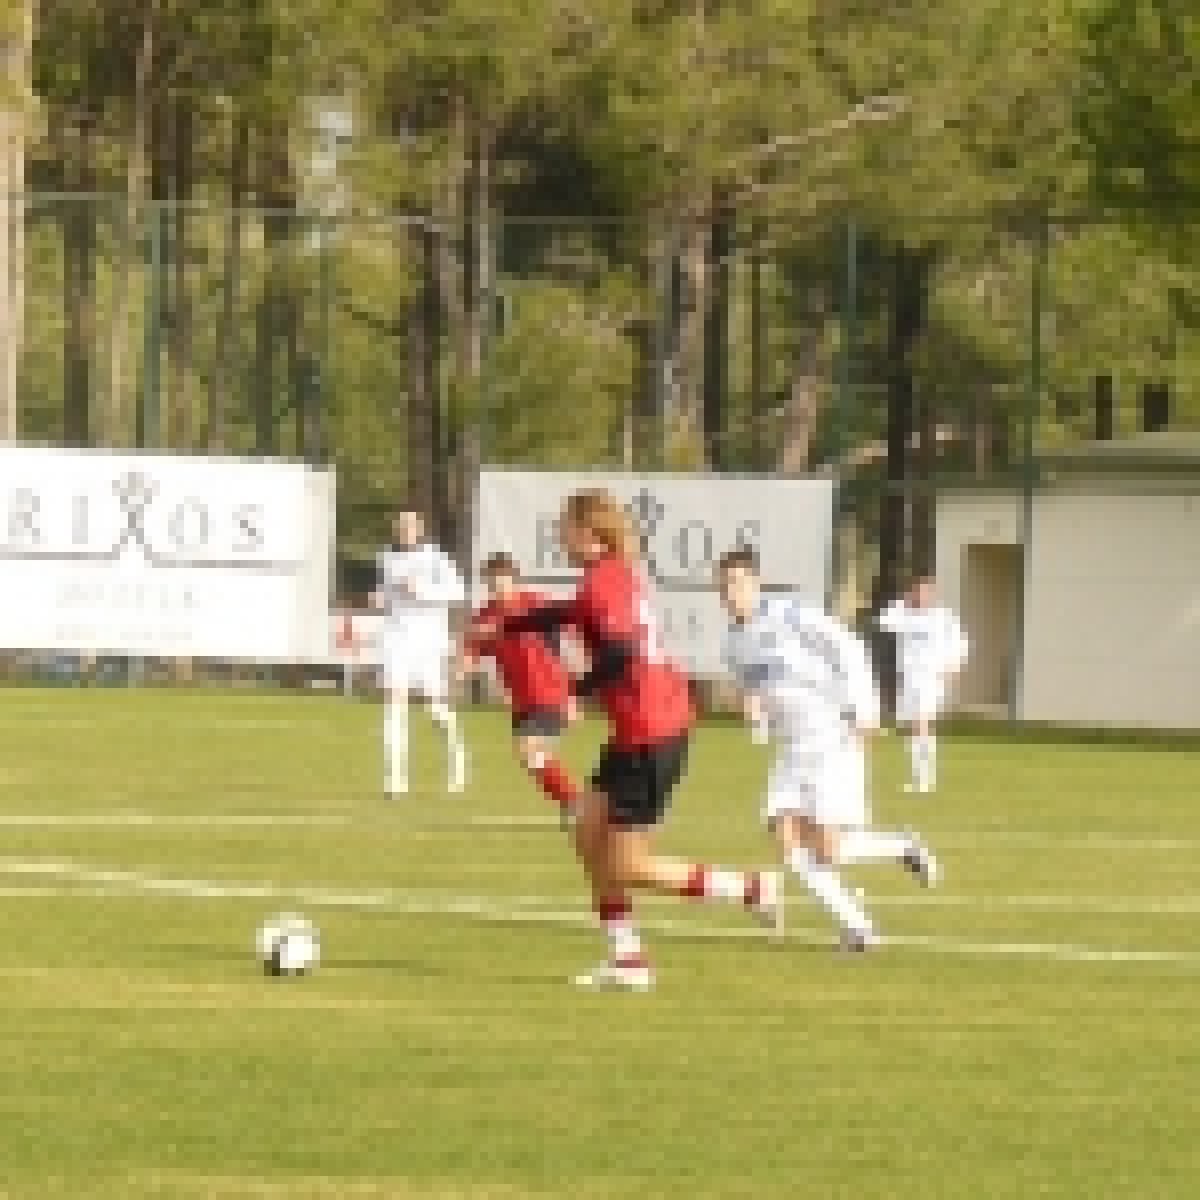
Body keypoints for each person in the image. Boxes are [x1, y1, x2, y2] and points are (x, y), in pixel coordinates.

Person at [475, 489, 781, 991]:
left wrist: (575, 690)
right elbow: (571, 613)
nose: (559, 535)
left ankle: (751, 888)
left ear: (588, 532)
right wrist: (513, 623)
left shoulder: (604, 581)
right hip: (637, 729)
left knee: (628, 864)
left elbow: (618, 652)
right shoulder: (611, 574)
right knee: (586, 830)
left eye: (565, 526)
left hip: (652, 730)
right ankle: (627, 959)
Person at [718, 547, 940, 951]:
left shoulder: (791, 614)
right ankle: (858, 928)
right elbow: (748, 689)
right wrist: (751, 711)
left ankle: (903, 846)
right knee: (786, 840)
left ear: (755, 583)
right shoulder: (733, 642)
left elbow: (847, 646)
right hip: (791, 748)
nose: (729, 594)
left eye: (736, 583)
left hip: (831, 736)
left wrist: (865, 711)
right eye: (723, 587)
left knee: (827, 849)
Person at [459, 552, 579, 821]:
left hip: (550, 692)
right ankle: (577, 803)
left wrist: (573, 695)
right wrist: (463, 666)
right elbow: (472, 650)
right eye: (491, 582)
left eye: (502, 581)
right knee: (531, 757)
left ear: (514, 580)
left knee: (529, 748)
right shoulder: (484, 617)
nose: (497, 587)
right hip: (522, 700)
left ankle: (577, 803)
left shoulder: (536, 605)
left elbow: (567, 642)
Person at [372, 508, 467, 796]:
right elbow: (389, 594)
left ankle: (456, 763)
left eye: (410, 525)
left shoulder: (436, 558)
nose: (405, 530)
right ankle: (394, 780)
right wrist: (381, 598)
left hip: (429, 642)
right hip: (396, 639)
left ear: (420, 529)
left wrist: (422, 589)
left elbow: (458, 593)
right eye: (401, 525)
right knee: (394, 704)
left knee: (435, 710)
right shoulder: (386, 557)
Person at [878, 574, 969, 794]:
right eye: (916, 592)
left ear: (933, 594)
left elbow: (960, 642)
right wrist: (902, 602)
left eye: (925, 592)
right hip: (908, 676)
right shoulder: (903, 614)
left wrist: (954, 665)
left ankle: (926, 779)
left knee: (922, 723)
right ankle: (916, 776)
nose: (921, 596)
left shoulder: (944, 617)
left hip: (931, 676)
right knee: (913, 726)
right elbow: (884, 623)